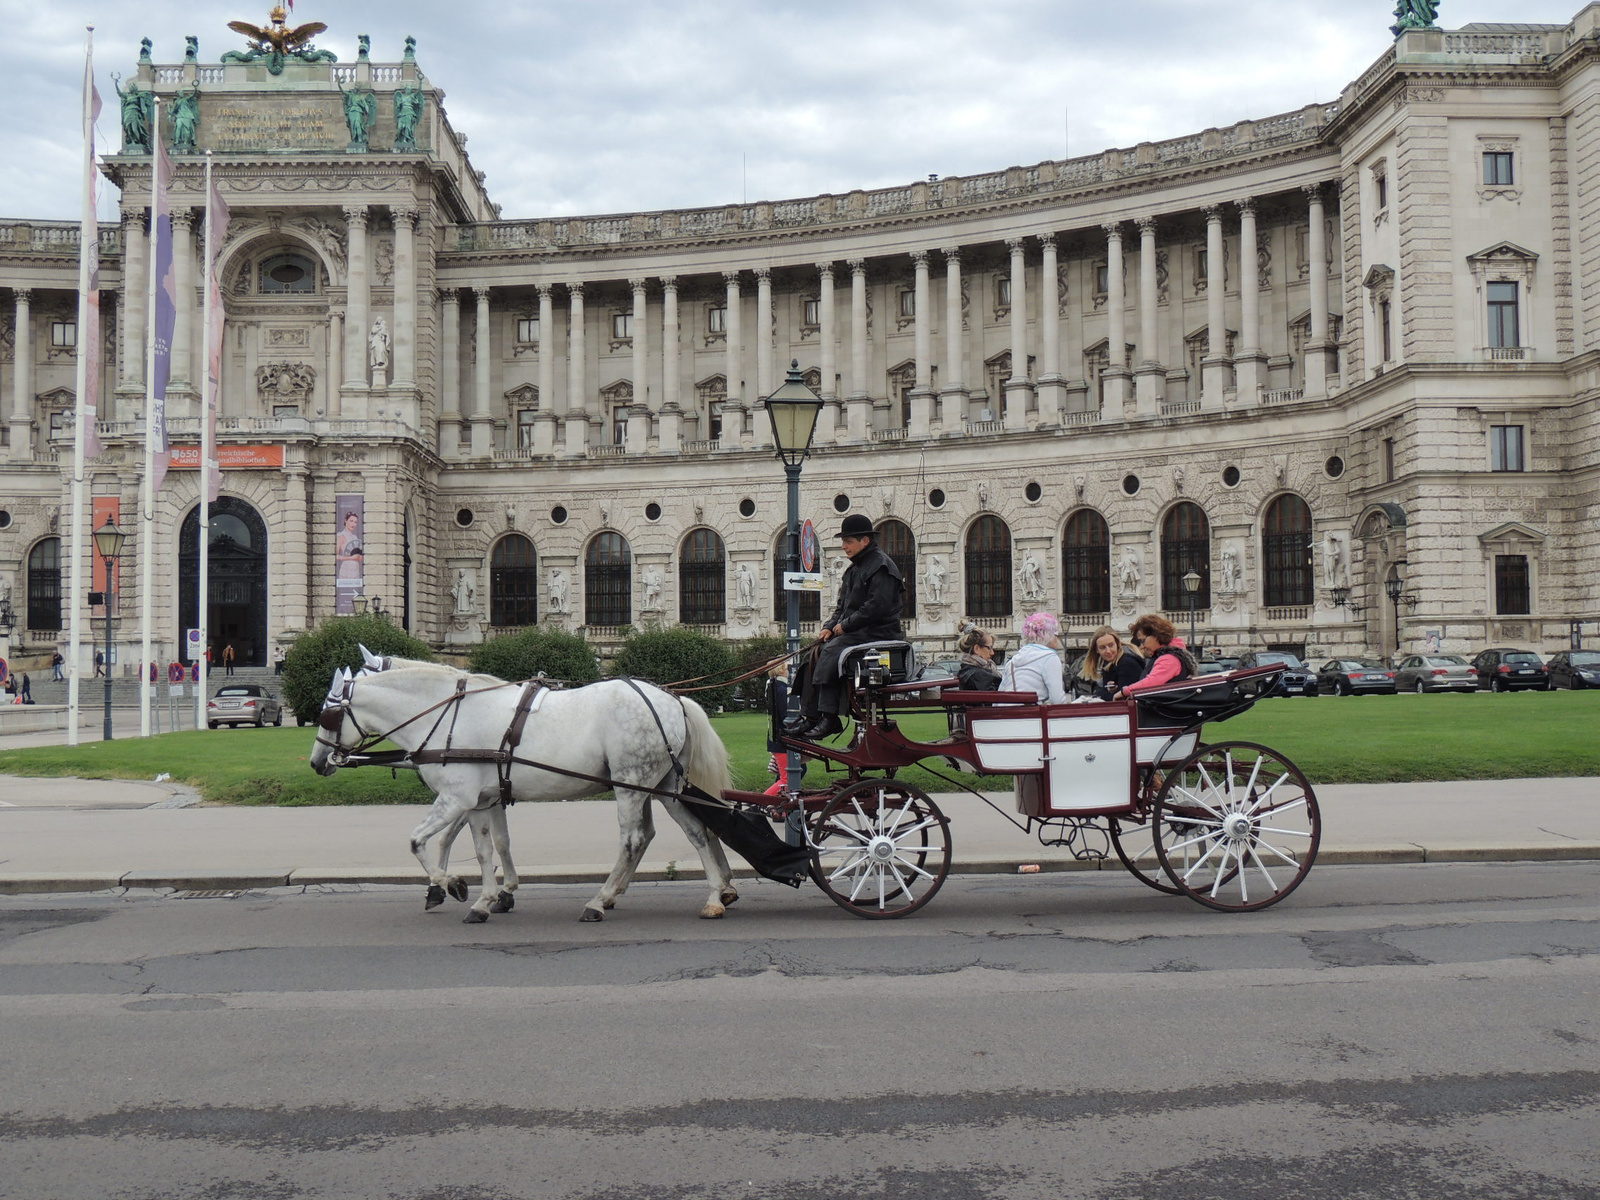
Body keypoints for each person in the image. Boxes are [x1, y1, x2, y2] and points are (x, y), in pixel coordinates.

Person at [786, 514, 905, 740]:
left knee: (832, 651)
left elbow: (876, 608)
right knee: (816, 652)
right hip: (858, 632)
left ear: (865, 541)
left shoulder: (881, 566)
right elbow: (842, 605)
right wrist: (830, 626)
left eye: (848, 541)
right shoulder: (854, 570)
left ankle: (829, 717)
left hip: (879, 632)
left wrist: (845, 626)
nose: (844, 547)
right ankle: (809, 716)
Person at [1114, 614, 1198, 698]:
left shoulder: (1169, 659)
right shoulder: (1170, 655)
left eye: (1143, 641)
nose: (1142, 646)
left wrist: (1125, 691)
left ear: (1156, 635)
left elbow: (1152, 682)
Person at [999, 611, 1069, 703]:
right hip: (1033, 714)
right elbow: (1057, 700)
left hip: (1007, 713)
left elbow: (1001, 692)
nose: (1057, 639)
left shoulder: (1012, 661)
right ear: (1048, 636)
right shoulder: (1050, 658)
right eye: (1056, 635)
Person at [1078, 624, 1144, 699]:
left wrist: (1101, 693)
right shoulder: (1109, 664)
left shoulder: (1127, 663)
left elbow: (1123, 699)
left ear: (1117, 644)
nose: (1108, 651)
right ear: (1097, 650)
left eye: (1111, 645)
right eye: (1103, 647)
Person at [954, 623, 1001, 691]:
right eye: (989, 648)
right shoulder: (979, 675)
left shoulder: (966, 670)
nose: (992, 653)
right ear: (976, 649)